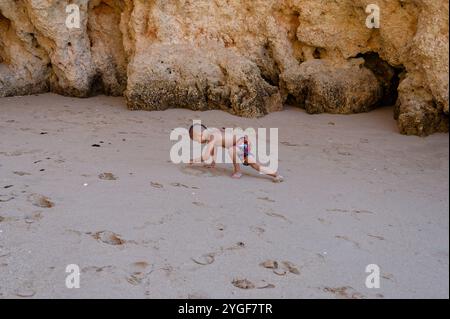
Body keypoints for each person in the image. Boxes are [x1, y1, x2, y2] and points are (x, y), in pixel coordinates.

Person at [188, 123, 284, 183]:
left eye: (196, 140)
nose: (198, 142)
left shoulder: (213, 136)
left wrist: (193, 160)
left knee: (231, 150)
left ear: (199, 135)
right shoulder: (213, 135)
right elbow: (213, 149)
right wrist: (213, 162)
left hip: (242, 143)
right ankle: (276, 175)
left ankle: (237, 171)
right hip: (244, 143)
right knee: (254, 165)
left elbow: (205, 156)